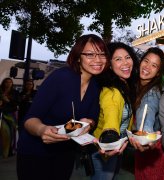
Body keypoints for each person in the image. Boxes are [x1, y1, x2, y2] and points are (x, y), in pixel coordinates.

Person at [16, 34, 108, 180]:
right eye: (90, 54)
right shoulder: (61, 77)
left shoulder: (96, 85)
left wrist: (89, 123)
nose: (98, 60)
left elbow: (93, 117)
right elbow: (30, 119)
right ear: (78, 57)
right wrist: (41, 130)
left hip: (65, 152)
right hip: (35, 151)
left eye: (102, 54)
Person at [91, 42, 139, 180]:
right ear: (110, 65)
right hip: (105, 149)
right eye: (118, 59)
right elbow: (111, 112)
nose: (125, 62)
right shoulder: (111, 91)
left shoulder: (125, 85)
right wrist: (110, 138)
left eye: (127, 57)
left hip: (118, 147)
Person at [128, 47, 164, 180]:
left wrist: (144, 135)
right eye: (146, 61)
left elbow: (147, 110)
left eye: (154, 65)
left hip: (152, 147)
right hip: (141, 147)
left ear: (158, 73)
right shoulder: (135, 85)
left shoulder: (152, 92)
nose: (147, 67)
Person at [0, 77, 19, 158]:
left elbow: (17, 104)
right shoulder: (0, 91)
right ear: (3, 83)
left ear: (12, 84)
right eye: (6, 82)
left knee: (9, 133)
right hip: (1, 113)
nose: (8, 84)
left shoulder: (15, 92)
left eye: (10, 82)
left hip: (10, 115)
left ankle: (8, 151)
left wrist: (8, 100)